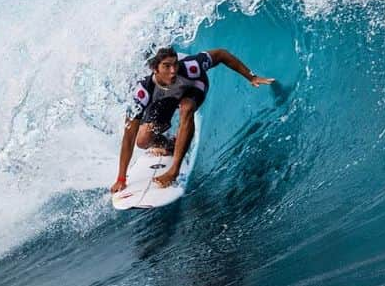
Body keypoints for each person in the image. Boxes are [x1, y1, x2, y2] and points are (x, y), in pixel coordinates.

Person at [111, 47, 274, 192]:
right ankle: (171, 144)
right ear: (155, 69)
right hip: (166, 97)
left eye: (175, 64)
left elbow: (221, 54)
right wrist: (121, 179)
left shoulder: (191, 67)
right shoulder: (144, 92)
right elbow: (129, 137)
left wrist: (252, 77)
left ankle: (173, 170)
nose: (173, 70)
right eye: (166, 66)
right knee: (142, 140)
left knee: (186, 108)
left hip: (193, 87)